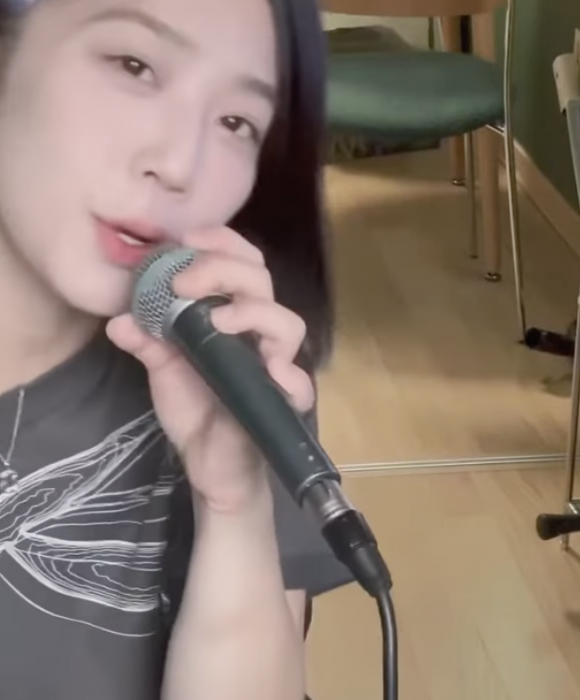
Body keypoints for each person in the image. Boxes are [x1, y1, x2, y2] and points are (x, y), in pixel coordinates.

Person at [0, 0, 352, 698]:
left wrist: (235, 505)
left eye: (236, 122)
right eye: (134, 65)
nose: (179, 164)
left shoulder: (233, 368)